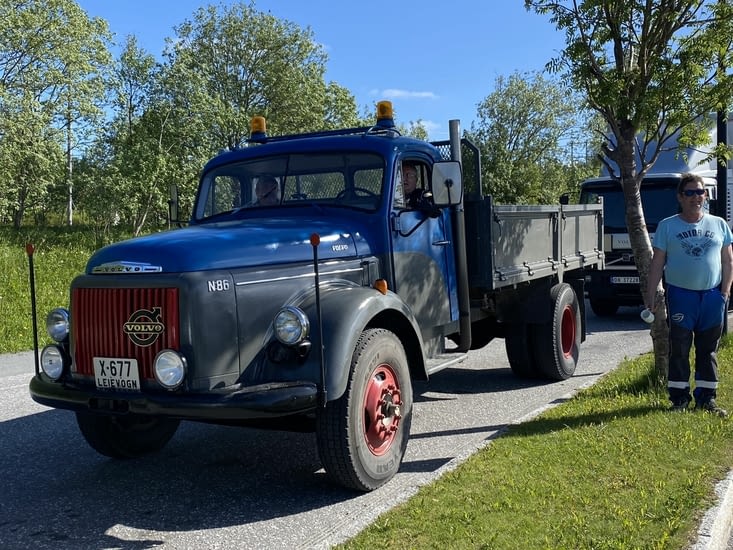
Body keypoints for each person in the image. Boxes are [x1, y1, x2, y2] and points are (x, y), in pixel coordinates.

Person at [645, 172, 733, 416]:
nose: (697, 197)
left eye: (700, 192)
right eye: (691, 192)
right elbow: (657, 263)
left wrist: (724, 293)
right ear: (680, 197)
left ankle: (707, 399)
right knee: (680, 348)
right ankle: (679, 399)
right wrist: (651, 296)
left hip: (712, 297)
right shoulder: (668, 225)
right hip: (682, 296)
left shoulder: (719, 224)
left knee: (708, 349)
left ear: (706, 195)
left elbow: (728, 261)